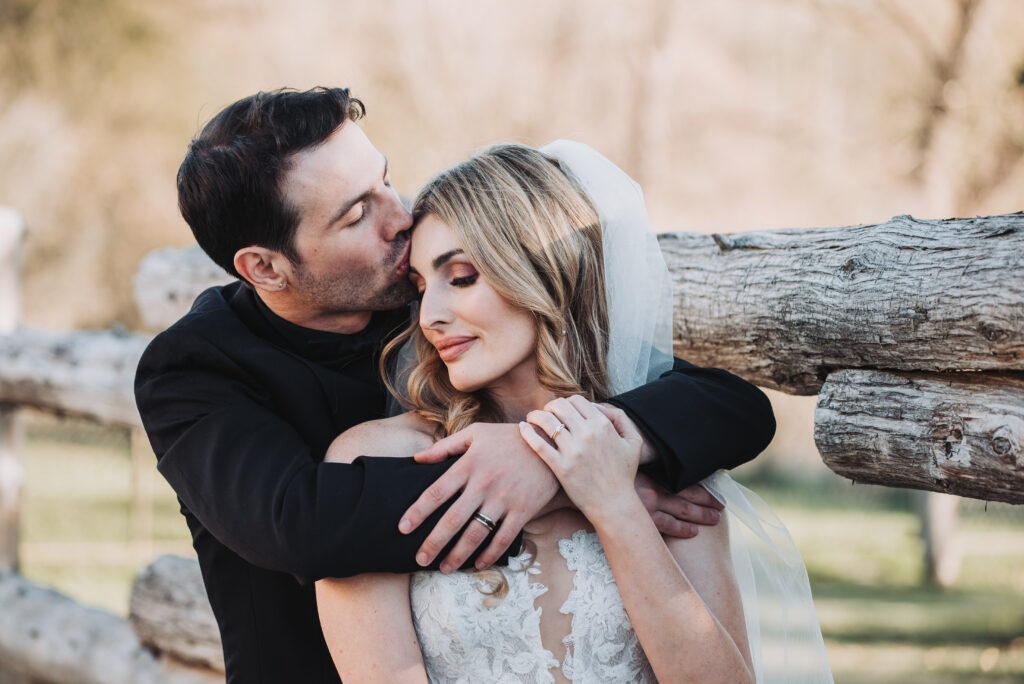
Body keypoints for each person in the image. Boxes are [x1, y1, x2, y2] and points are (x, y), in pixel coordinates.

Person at [134, 87, 777, 684]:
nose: (401, 216)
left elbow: (731, 405)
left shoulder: (425, 297)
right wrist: (563, 476)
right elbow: (301, 526)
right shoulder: (193, 370)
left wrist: (549, 450)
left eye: (385, 180)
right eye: (358, 213)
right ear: (265, 268)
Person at [315, 141, 832, 682]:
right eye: (420, 288)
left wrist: (612, 503)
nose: (431, 316)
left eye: (462, 276)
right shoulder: (375, 460)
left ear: (546, 271)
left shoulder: (661, 461)